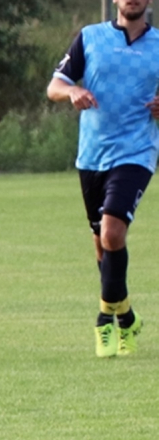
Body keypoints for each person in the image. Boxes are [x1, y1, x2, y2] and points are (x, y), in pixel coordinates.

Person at [47, 0, 159, 357]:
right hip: (92, 156)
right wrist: (72, 91)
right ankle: (125, 318)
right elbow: (55, 86)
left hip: (137, 153)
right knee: (102, 242)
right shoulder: (90, 38)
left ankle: (102, 321)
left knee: (112, 231)